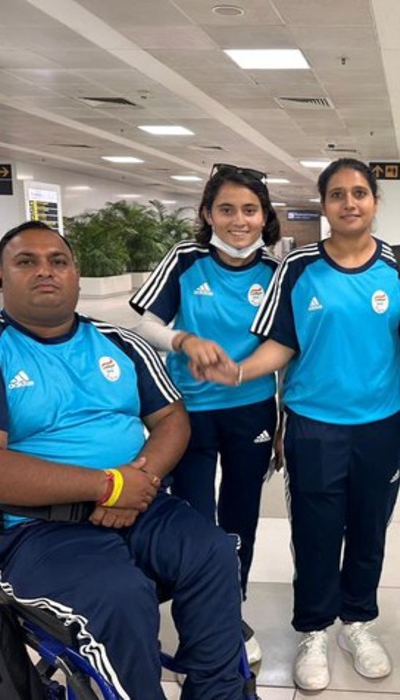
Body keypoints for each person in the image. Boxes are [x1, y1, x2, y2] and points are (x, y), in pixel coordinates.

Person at [0, 221, 246, 700]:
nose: (45, 271)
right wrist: (107, 487)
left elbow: (172, 418)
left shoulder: (121, 343)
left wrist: (138, 481)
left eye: (58, 261)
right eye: (26, 262)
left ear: (77, 276)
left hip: (141, 504)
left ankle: (221, 692)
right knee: (120, 597)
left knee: (213, 552)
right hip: (32, 528)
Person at [202, 158, 400, 691]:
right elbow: (281, 343)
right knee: (317, 532)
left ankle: (358, 622)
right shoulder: (297, 267)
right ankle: (315, 629)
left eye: (360, 193)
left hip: (383, 424)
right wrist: (239, 371)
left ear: (374, 202)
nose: (350, 203)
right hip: (314, 426)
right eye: (338, 194)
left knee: (369, 529)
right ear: (323, 205)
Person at [130, 163, 281, 665]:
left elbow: (287, 346)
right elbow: (147, 322)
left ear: (264, 217)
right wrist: (183, 340)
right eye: (226, 209)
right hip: (188, 411)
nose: (238, 221)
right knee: (194, 517)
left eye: (249, 210)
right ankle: (196, 609)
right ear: (207, 214)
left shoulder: (278, 272)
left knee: (241, 515)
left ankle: (229, 607)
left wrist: (282, 420)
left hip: (252, 409)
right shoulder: (186, 259)